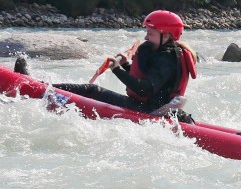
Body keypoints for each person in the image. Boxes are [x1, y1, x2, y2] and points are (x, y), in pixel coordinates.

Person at [15, 10, 197, 119]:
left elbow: (146, 89)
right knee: (90, 91)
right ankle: (41, 86)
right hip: (152, 105)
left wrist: (116, 69)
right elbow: (150, 82)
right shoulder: (165, 53)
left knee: (91, 90)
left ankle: (36, 88)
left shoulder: (166, 59)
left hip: (149, 110)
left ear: (166, 36)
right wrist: (126, 66)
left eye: (150, 33)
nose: (146, 37)